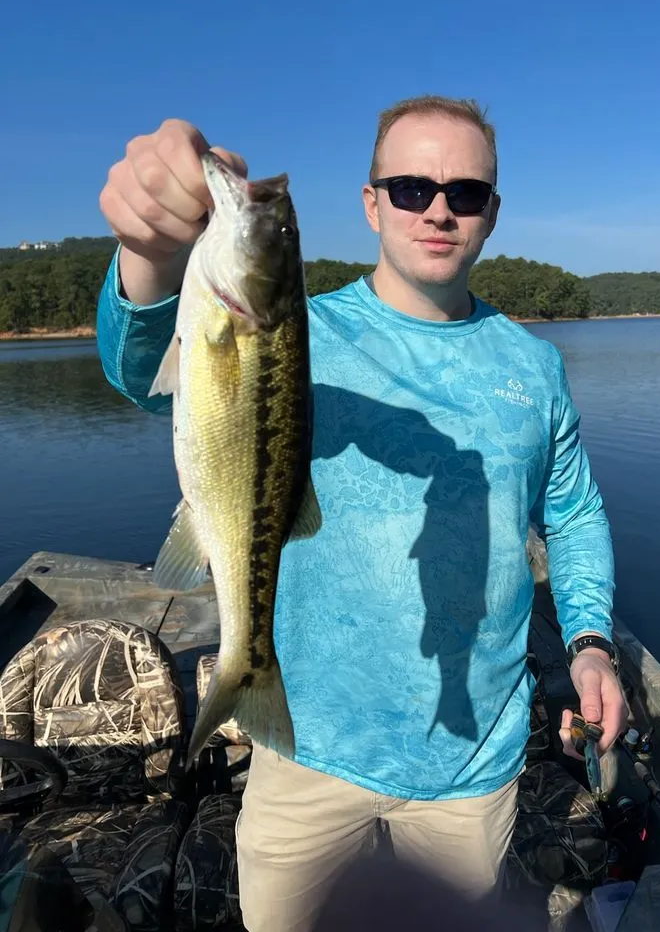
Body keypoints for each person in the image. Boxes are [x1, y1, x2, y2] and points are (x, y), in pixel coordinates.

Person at [96, 96, 628, 932]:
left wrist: (590, 642)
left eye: (466, 192)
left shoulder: (536, 366)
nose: (440, 208)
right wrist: (147, 253)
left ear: (492, 211)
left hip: (473, 763)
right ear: (372, 202)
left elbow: (576, 512)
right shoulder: (301, 331)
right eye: (412, 187)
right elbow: (137, 367)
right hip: (303, 747)